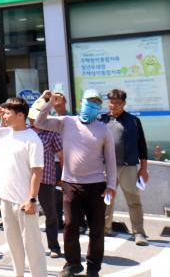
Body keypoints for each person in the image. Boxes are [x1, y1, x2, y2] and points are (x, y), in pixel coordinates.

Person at [35, 89, 117, 277]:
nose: (93, 105)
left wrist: (111, 185)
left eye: (96, 103)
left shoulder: (104, 129)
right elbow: (40, 122)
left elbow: (111, 160)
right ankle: (72, 264)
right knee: (70, 225)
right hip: (71, 183)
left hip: (97, 184)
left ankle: (93, 267)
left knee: (96, 229)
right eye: (90, 101)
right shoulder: (67, 122)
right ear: (81, 102)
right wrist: (49, 103)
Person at [0, 98, 47, 277]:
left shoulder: (32, 139)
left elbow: (37, 172)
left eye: (8, 113)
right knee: (14, 244)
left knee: (33, 247)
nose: (4, 116)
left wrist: (32, 199)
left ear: (21, 115)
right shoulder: (3, 133)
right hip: (5, 198)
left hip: (24, 201)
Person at [98, 89, 149, 245]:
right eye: (111, 102)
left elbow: (142, 146)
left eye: (118, 103)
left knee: (134, 200)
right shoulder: (101, 120)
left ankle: (139, 233)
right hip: (106, 167)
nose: (114, 105)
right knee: (106, 199)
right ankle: (105, 228)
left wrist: (144, 169)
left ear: (124, 103)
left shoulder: (133, 121)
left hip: (129, 167)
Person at [29, 103, 64, 258]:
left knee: (50, 214)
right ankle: (30, 246)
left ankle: (54, 247)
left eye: (34, 118)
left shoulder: (51, 133)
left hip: (46, 179)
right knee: (26, 214)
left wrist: (62, 177)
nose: (32, 121)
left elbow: (62, 156)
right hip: (27, 179)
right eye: (31, 118)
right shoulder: (26, 132)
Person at [52, 91, 68, 228]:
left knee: (71, 193)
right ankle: (58, 221)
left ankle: (77, 221)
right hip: (55, 161)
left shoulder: (71, 118)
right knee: (56, 193)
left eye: (59, 98)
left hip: (70, 160)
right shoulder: (50, 119)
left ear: (65, 101)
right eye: (54, 98)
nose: (56, 101)